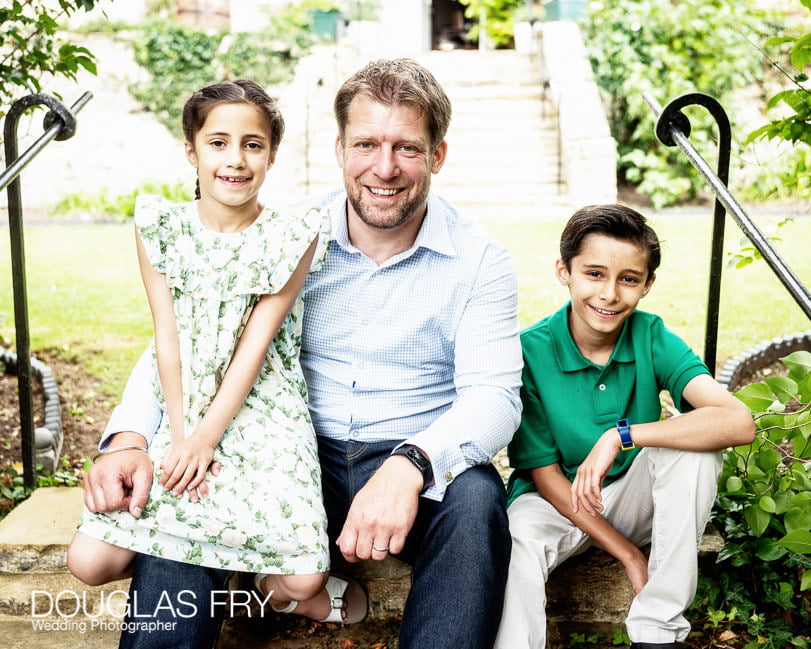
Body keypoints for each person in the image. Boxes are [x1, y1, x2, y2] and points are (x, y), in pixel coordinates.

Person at [82, 58, 523, 649]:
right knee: (187, 484)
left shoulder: (480, 260)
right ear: (340, 149)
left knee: (476, 502)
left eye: (408, 149)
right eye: (366, 144)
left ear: (438, 155)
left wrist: (411, 464)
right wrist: (130, 439)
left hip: (404, 457)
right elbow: (194, 338)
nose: (384, 168)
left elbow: (494, 397)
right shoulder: (283, 236)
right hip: (283, 452)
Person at [67, 79, 367, 624]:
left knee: (303, 578)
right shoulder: (160, 225)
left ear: (272, 156)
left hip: (261, 404)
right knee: (87, 561)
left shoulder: (294, 232)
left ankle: (262, 576)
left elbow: (256, 344)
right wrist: (182, 437)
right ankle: (231, 554)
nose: (236, 160)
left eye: (253, 145)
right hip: (183, 400)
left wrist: (207, 438)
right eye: (219, 142)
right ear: (192, 150)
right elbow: (167, 336)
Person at [494, 204, 756, 649]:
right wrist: (629, 554)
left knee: (695, 446)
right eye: (594, 274)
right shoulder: (529, 351)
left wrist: (622, 435)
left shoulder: (651, 336)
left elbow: (738, 421)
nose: (610, 294)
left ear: (647, 284)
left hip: (633, 496)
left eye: (628, 279)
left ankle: (657, 630)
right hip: (555, 501)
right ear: (565, 271)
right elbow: (544, 474)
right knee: (517, 539)